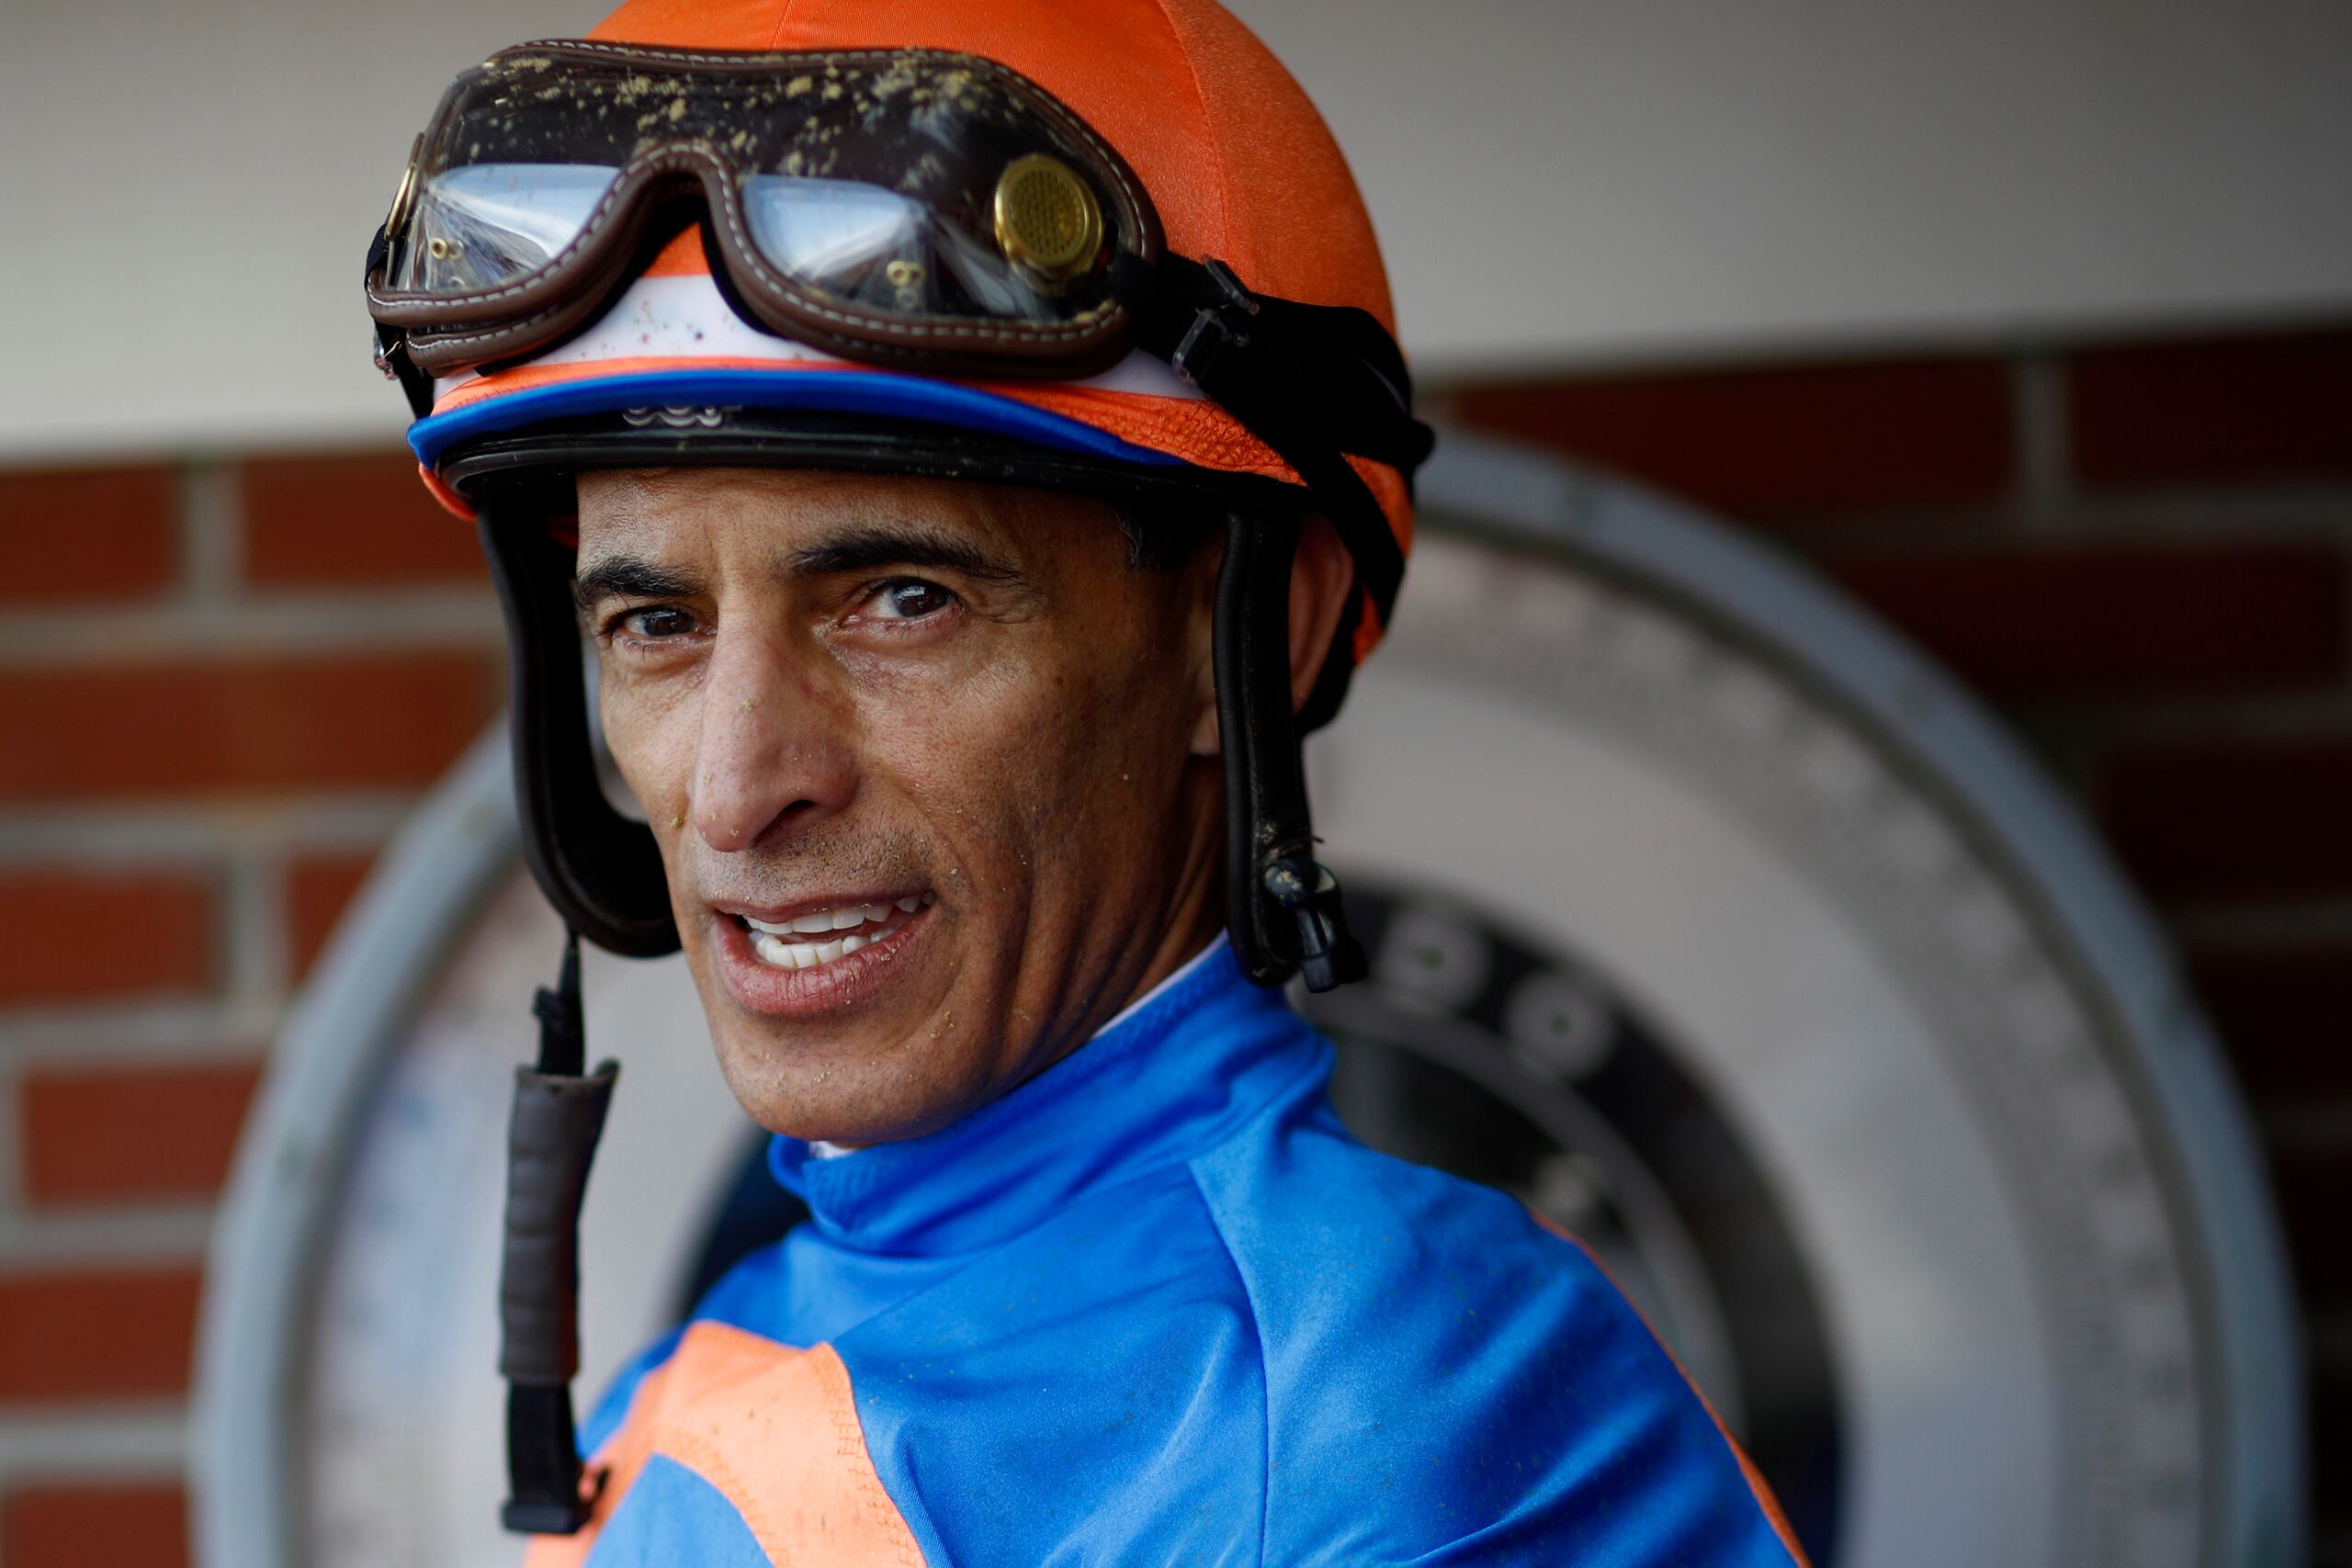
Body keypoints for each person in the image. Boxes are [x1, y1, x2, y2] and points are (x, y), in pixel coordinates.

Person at [364, 1, 1810, 1562]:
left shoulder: (1414, 1419)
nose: (730, 792)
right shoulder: (716, 1354)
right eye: (655, 622)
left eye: (900, 598)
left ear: (1245, 632)